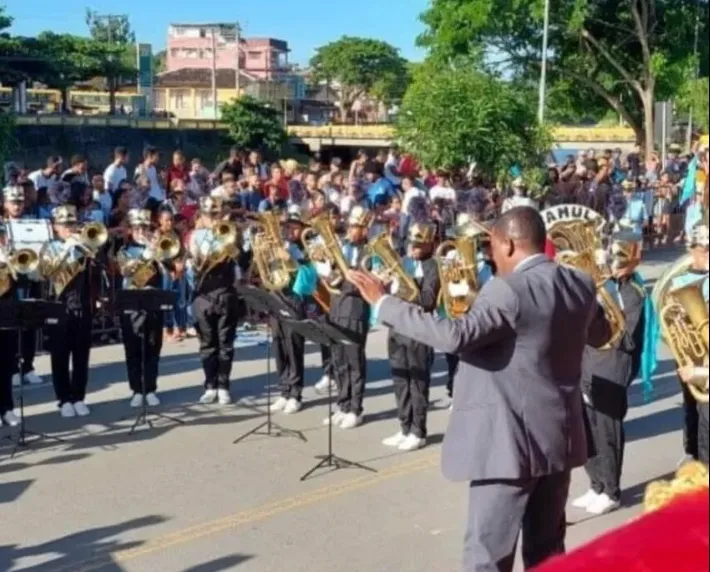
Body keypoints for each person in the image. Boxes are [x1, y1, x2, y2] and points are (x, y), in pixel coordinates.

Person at [348, 206, 611, 572]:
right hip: (558, 438)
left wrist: (383, 303)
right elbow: (603, 334)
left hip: (509, 444)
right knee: (548, 553)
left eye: (490, 248)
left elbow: (454, 336)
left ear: (507, 245)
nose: (489, 257)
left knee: (487, 557)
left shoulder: (507, 289)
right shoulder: (579, 282)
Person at [573, 231, 649, 514]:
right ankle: (596, 484)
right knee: (585, 427)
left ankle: (612, 491)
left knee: (607, 429)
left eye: (620, 259)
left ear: (632, 261)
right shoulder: (599, 283)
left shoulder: (633, 292)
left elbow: (627, 339)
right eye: (612, 257)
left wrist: (601, 311)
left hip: (614, 364)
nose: (614, 264)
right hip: (587, 360)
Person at [382, 197, 440, 451]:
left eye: (418, 245)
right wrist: (389, 283)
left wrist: (406, 285)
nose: (413, 249)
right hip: (397, 326)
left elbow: (428, 300)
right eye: (411, 244)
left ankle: (419, 430)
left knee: (418, 382)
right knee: (400, 379)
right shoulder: (405, 263)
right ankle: (404, 426)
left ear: (428, 245)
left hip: (419, 329)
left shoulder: (433, 266)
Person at [318, 205, 373, 430]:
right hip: (336, 307)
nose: (351, 230)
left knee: (354, 360)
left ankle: (355, 408)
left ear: (365, 229)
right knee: (338, 359)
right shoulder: (341, 246)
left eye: (357, 227)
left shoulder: (370, 251)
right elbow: (327, 275)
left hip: (355, 308)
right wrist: (327, 268)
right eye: (350, 225)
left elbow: (364, 280)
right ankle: (342, 404)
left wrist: (342, 278)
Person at [188, 197, 245, 405]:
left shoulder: (230, 233)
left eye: (216, 214)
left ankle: (223, 385)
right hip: (203, 294)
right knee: (207, 343)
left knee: (226, 343)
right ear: (202, 216)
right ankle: (210, 385)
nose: (212, 219)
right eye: (208, 215)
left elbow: (240, 258)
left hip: (226, 292)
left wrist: (233, 242)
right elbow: (194, 264)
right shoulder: (197, 236)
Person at [42, 206, 95, 418]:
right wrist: (66, 249)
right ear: (56, 227)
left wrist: (82, 246)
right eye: (65, 225)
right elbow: (47, 271)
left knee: (81, 356)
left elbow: (96, 264)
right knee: (60, 356)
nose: (69, 229)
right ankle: (63, 399)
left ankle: (79, 397)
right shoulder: (49, 246)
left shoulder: (82, 248)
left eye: (72, 224)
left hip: (81, 306)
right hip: (59, 307)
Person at [268, 205, 318, 415]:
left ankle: (295, 393)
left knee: (293, 346)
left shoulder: (307, 246)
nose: (291, 231)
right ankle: (283, 390)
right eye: (289, 226)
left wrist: (291, 259)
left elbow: (312, 274)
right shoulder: (281, 244)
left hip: (295, 299)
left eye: (295, 227)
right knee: (279, 345)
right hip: (277, 296)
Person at [116, 209, 165, 407]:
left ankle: (151, 387)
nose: (142, 232)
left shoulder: (156, 248)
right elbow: (127, 270)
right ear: (130, 230)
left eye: (145, 228)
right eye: (137, 228)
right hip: (132, 304)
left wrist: (158, 253)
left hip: (153, 302)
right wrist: (147, 253)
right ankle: (136, 389)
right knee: (133, 348)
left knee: (153, 347)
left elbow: (170, 268)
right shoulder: (124, 251)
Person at [669, 222, 709, 464]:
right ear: (691, 249)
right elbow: (668, 316)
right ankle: (691, 452)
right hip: (688, 354)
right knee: (690, 407)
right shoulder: (679, 279)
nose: (708, 253)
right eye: (703, 248)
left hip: (705, 363)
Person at [3, 185, 44, 387]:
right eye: (13, 202)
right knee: (11, 326)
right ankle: (12, 368)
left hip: (30, 277)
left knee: (29, 323)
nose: (17, 206)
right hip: (9, 282)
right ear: (5, 204)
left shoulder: (33, 224)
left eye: (20, 202)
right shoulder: (2, 226)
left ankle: (28, 366)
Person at [0, 222, 20, 427]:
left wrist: (10, 264)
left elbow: (23, 280)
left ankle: (7, 409)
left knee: (6, 366)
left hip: (7, 316)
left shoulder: (9, 257)